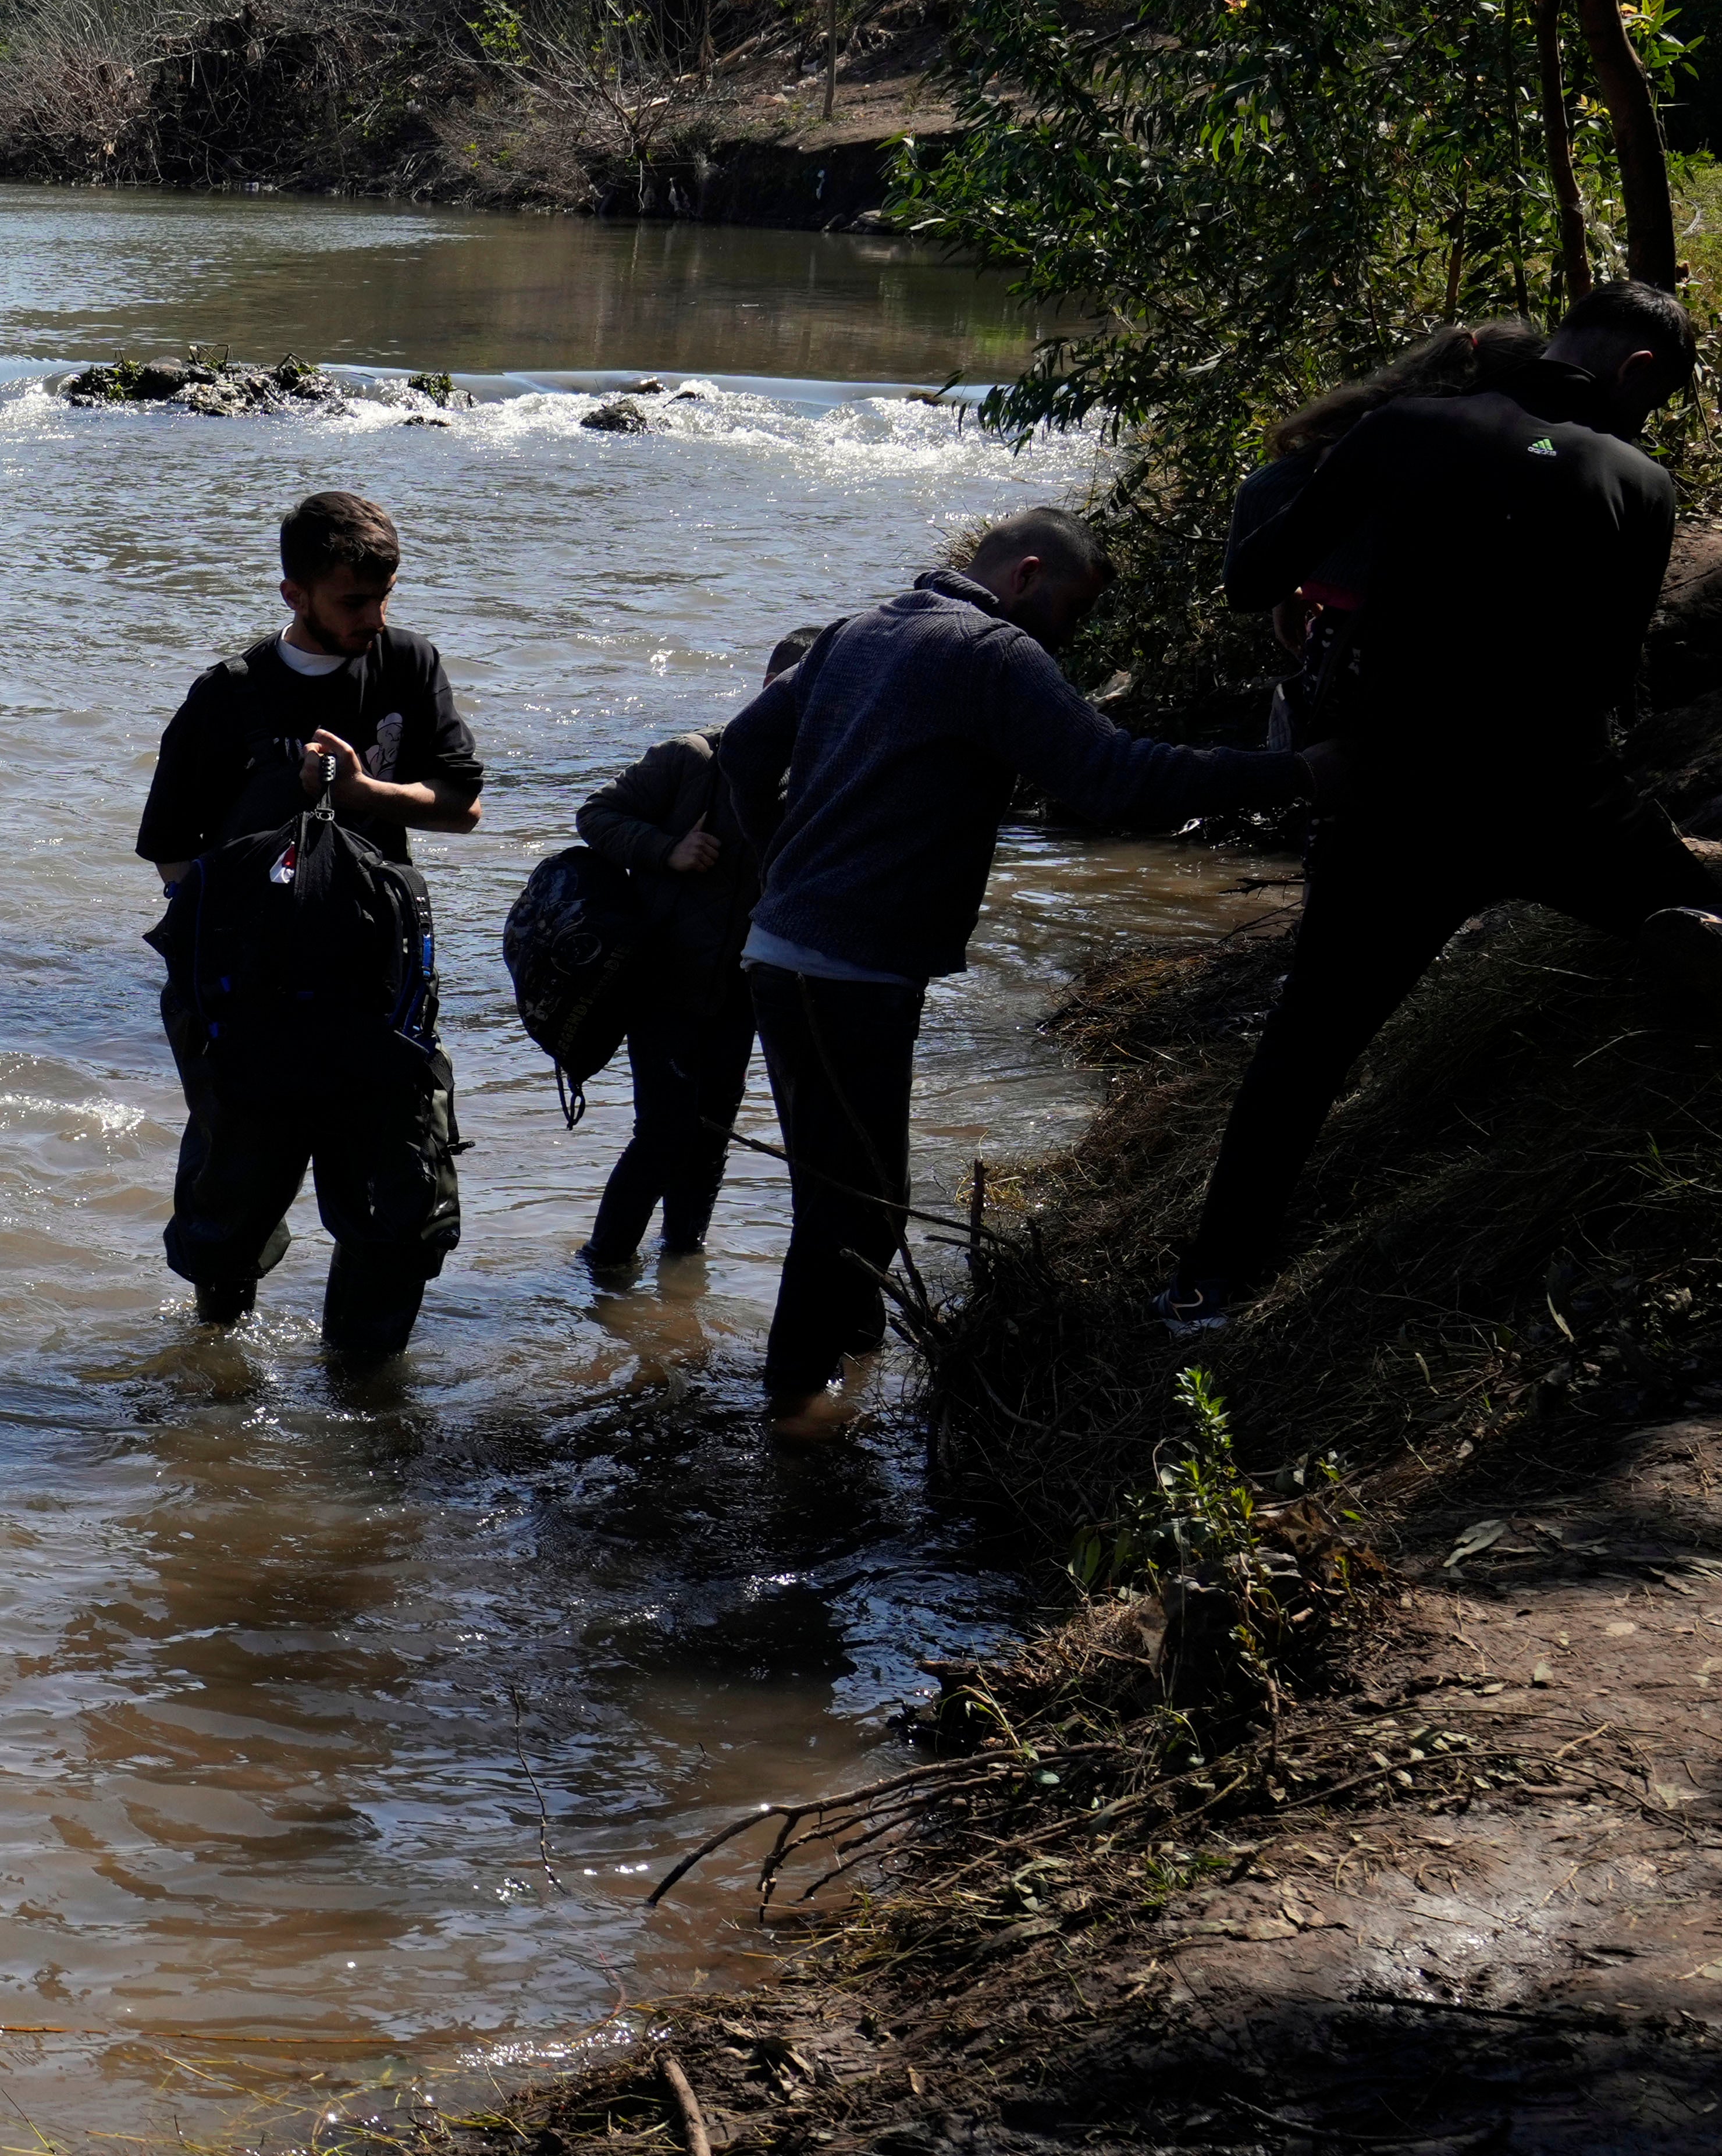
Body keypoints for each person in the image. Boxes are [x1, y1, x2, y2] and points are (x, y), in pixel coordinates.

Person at [1173, 281, 1722, 1312]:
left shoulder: (1405, 427)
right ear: (1637, 371)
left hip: (1399, 795)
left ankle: (1207, 1289)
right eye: (1650, 401)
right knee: (1696, 913)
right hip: (1563, 799)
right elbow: (1615, 679)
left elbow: (1253, 581)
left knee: (1308, 1047)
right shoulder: (1641, 481)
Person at [716, 508, 1308, 1438]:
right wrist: (1296, 772)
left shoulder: (857, 631)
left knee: (859, 1193)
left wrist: (779, 864)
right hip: (841, 968)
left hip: (804, 956)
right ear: (1027, 575)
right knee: (852, 1208)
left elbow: (745, 751)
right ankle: (795, 1418)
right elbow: (1115, 779)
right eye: (1073, 610)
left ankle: (853, 1373)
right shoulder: (992, 653)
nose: (1070, 636)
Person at [134, 491, 487, 1354]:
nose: (375, 618)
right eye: (353, 601)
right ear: (294, 593)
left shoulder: (408, 663)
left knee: (399, 1209)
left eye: (385, 596)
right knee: (230, 1207)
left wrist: (367, 795)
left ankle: (364, 1393)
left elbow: (461, 806)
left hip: (379, 991)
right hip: (250, 1000)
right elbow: (170, 852)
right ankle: (216, 1373)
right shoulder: (229, 695)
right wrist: (255, 914)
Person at [575, 625, 826, 1270]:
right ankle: (604, 1262)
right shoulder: (692, 757)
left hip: (742, 994)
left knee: (712, 1137)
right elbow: (595, 815)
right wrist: (668, 850)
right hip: (661, 982)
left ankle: (683, 1268)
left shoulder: (813, 783)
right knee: (664, 1134)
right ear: (770, 690)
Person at [1222, 322, 1534, 750]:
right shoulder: (1502, 447)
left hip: (1344, 657)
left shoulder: (1371, 431)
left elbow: (1260, 490)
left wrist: (1288, 582)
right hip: (1443, 668)